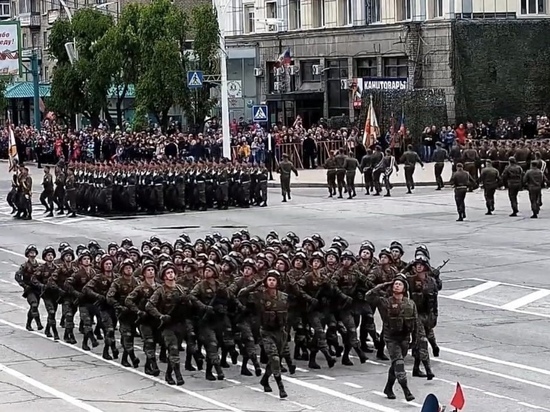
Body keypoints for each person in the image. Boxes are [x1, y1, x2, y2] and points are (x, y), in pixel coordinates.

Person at [365, 274, 419, 402]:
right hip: (391, 338)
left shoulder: (410, 303)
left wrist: (415, 339)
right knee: (399, 364)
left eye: (400, 284)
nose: (397, 285)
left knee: (396, 363)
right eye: (395, 284)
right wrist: (384, 285)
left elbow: (416, 323)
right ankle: (406, 390)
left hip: (405, 338)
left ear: (404, 288)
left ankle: (388, 388)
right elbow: (368, 296)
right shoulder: (386, 301)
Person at [238, 269, 289, 399]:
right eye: (269, 279)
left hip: (280, 332)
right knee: (274, 357)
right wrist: (256, 283)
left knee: (275, 359)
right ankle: (281, 387)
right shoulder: (260, 295)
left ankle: (265, 379)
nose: (271, 282)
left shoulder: (283, 296)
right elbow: (241, 294)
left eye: (274, 280)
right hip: (266, 331)